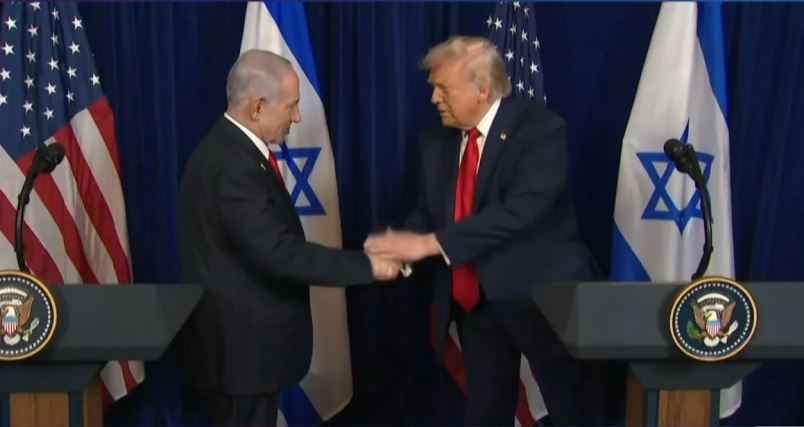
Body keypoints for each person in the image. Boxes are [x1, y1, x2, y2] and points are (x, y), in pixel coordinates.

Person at [364, 36, 621, 426]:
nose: (434, 98)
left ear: (482, 90)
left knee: (574, 414)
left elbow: (519, 212)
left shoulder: (540, 130)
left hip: (545, 303)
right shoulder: (435, 141)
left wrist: (429, 244)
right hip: (477, 307)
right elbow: (430, 213)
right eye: (433, 88)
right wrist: (398, 251)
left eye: (443, 88)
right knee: (486, 415)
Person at [177, 49, 400, 427]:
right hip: (241, 358)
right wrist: (369, 265)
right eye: (291, 106)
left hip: (242, 353)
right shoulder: (233, 167)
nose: (297, 117)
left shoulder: (231, 151)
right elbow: (280, 253)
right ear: (257, 107)